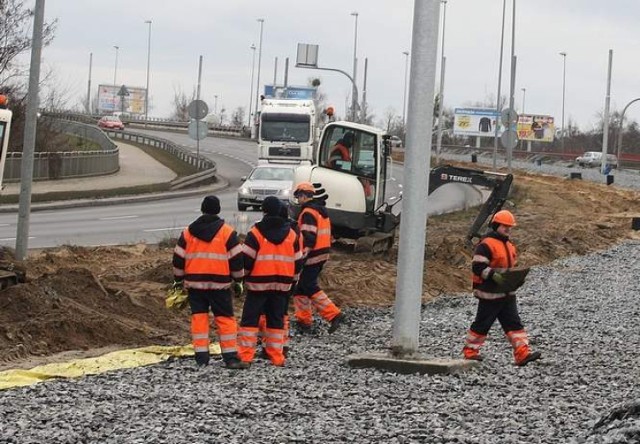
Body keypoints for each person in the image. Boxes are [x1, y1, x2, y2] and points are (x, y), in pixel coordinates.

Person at [172, 195, 248, 369]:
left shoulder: (188, 232)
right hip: (219, 284)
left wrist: (178, 280)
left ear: (202, 209)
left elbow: (178, 258)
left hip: (195, 283)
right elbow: (236, 259)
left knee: (199, 318)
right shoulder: (227, 232)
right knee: (225, 319)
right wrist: (238, 281)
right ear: (218, 210)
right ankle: (230, 358)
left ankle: (201, 357)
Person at [462, 210, 542, 366]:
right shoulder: (486, 244)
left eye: (509, 226)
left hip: (506, 293)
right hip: (490, 294)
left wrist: (515, 280)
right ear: (496, 225)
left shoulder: (509, 245)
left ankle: (522, 354)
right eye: (505, 226)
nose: (508, 229)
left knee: (514, 324)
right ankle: (470, 352)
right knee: (482, 324)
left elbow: (509, 268)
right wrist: (493, 276)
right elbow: (478, 267)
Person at [237, 196, 303, 367]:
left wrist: (243, 278)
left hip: (258, 284)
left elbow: (247, 259)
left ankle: (245, 356)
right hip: (282, 284)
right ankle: (277, 357)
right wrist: (293, 282)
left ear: (264, 211)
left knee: (250, 320)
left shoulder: (256, 232)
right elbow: (298, 262)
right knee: (276, 320)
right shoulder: (291, 234)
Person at [292, 182, 345, 333]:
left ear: (303, 195)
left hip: (312, 255)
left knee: (308, 286)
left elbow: (308, 238)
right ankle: (304, 321)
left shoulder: (308, 212)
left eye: (298, 196)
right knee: (301, 288)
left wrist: (301, 257)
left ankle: (334, 314)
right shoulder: (321, 211)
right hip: (322, 253)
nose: (298, 200)